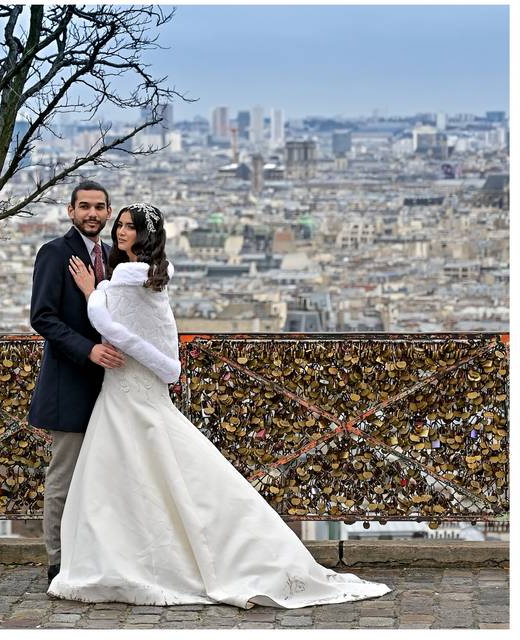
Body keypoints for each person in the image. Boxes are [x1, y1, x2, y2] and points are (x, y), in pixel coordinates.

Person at [46, 202, 391, 608]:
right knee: (167, 478)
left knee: (119, 483)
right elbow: (154, 342)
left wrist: (91, 292)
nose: (120, 232)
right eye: (119, 225)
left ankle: (123, 561)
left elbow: (108, 325)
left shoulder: (124, 276)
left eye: (129, 227)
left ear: (145, 235)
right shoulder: (154, 278)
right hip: (140, 390)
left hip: (123, 391)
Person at [28, 180, 125, 586]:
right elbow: (42, 317)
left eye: (99, 207)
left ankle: (93, 555)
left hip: (110, 385)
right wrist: (88, 350)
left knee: (105, 477)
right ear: (70, 211)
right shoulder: (54, 253)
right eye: (84, 206)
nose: (91, 213)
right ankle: (58, 561)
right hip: (69, 381)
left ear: (108, 212)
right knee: (64, 477)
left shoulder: (110, 257)